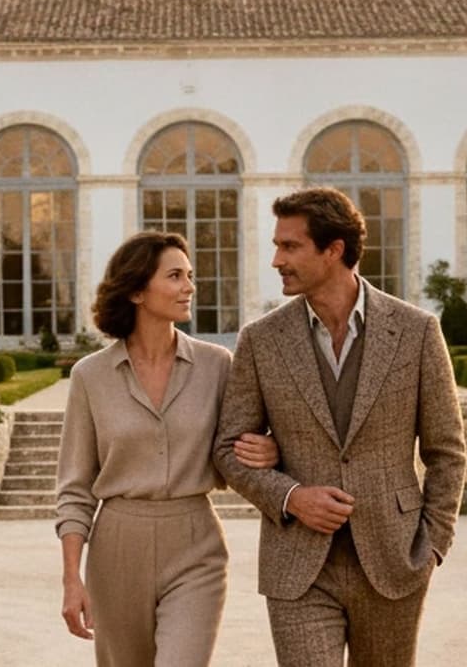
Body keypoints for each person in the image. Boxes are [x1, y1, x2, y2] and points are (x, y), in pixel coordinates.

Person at [212, 187, 467, 667]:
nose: (276, 260)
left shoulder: (416, 331)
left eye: (290, 246)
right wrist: (290, 496)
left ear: (334, 250)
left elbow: (447, 451)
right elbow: (228, 449)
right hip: (298, 565)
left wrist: (433, 544)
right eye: (277, 245)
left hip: (394, 560)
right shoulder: (261, 340)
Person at [56, 231, 280, 666]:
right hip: (117, 546)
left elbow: (240, 443)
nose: (189, 287)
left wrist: (269, 450)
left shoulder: (217, 365)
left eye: (190, 276)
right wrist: (71, 578)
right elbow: (75, 487)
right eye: (175, 276)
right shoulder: (90, 376)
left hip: (196, 543)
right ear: (138, 290)